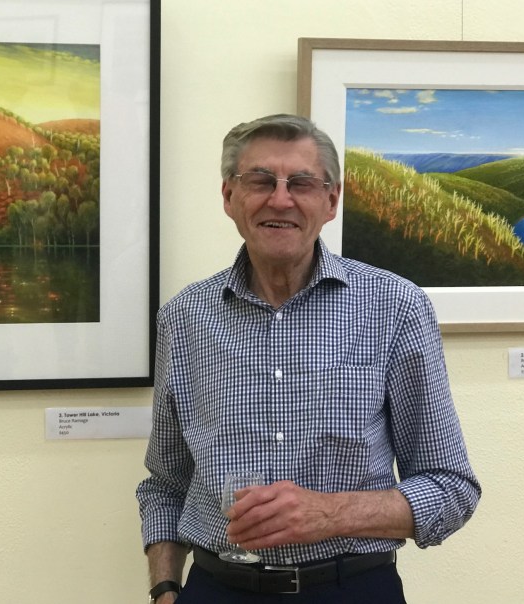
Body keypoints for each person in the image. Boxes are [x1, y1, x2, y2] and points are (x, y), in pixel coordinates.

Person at [136, 114, 481, 603]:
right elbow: (166, 486)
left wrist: (330, 513)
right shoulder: (183, 318)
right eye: (260, 181)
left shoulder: (395, 307)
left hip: (353, 589)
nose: (280, 199)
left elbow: (451, 488)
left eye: (301, 183)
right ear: (229, 197)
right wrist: (165, 589)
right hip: (217, 589)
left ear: (331, 201)